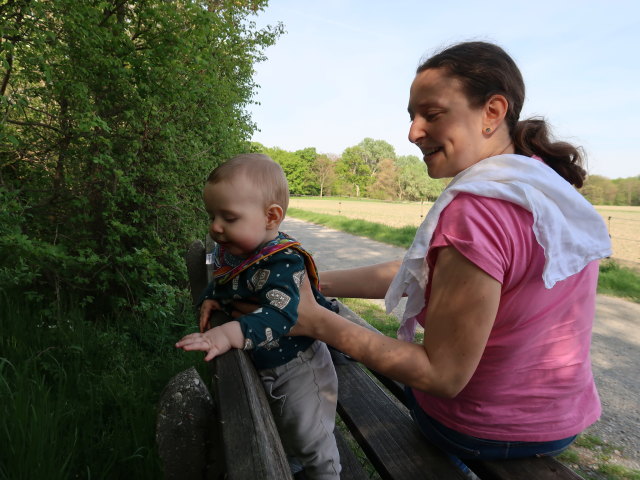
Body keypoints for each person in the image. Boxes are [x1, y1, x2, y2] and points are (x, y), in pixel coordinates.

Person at [259, 41, 612, 474]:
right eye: (411, 116)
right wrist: (317, 281)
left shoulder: (479, 209)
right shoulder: (544, 188)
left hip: (478, 425)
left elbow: (442, 377)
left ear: (493, 112)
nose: (413, 132)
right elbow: (438, 277)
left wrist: (312, 319)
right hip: (561, 421)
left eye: (433, 113)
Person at [175, 154, 341, 479]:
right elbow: (233, 282)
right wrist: (212, 298)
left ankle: (326, 473)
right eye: (211, 215)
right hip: (270, 362)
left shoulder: (283, 263)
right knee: (288, 427)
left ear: (271, 217)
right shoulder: (243, 252)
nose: (215, 227)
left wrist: (227, 333)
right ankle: (293, 459)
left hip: (301, 369)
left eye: (228, 217)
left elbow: (281, 316)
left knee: (312, 439)